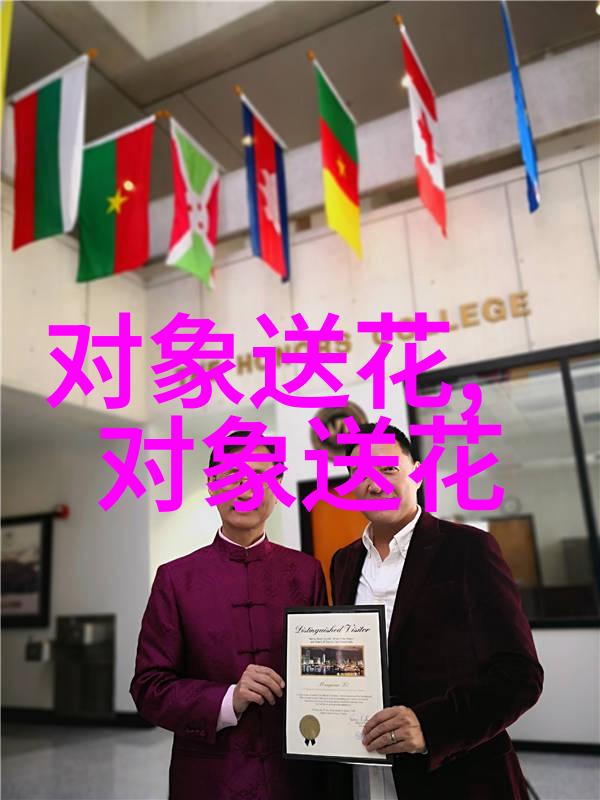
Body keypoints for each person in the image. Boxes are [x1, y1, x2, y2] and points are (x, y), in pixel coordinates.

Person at [330, 422, 543, 800]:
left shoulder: (468, 549)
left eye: (388, 469)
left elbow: (519, 674)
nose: (374, 484)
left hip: (456, 774)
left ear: (416, 472)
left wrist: (431, 727)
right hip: (366, 768)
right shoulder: (343, 562)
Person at [130, 431, 328, 800]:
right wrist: (227, 699)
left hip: (297, 778)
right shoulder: (176, 579)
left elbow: (324, 675)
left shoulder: (306, 573)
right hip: (210, 780)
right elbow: (148, 687)